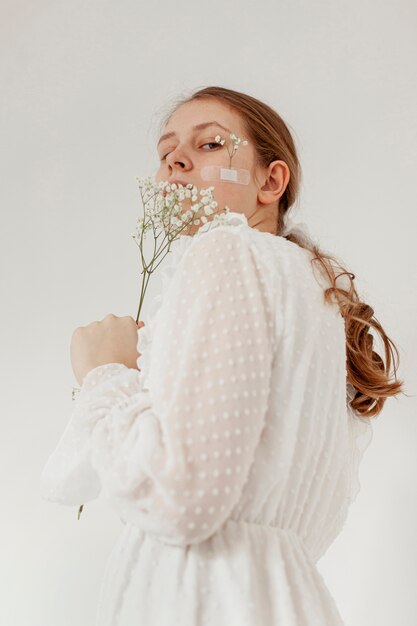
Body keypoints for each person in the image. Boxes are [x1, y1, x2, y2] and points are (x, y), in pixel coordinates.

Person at [40, 85, 404, 626]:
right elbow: (72, 479)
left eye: (209, 144)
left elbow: (180, 495)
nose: (176, 161)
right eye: (166, 155)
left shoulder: (228, 251)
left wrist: (105, 372)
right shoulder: (312, 295)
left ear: (270, 181)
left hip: (201, 600)